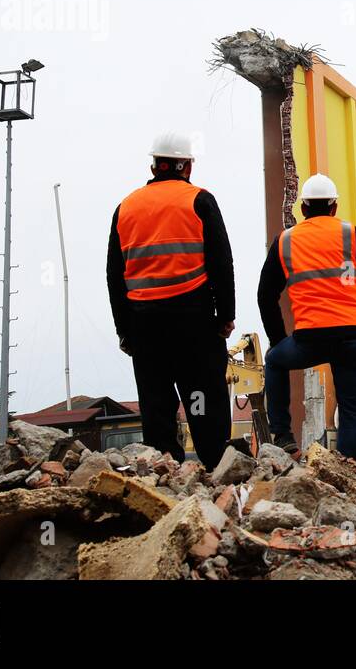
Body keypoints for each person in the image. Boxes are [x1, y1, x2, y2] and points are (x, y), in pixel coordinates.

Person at [107, 131, 234, 467]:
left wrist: (124, 331)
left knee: (156, 400)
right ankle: (215, 465)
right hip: (194, 319)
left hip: (144, 322)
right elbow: (221, 262)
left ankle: (165, 470)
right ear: (187, 166)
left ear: (154, 165)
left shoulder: (126, 207)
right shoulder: (200, 200)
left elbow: (114, 276)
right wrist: (226, 315)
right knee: (201, 395)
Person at [257, 173, 356, 461]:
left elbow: (265, 295)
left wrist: (278, 340)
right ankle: (348, 468)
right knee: (352, 410)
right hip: (355, 334)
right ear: (334, 207)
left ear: (302, 209)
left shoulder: (285, 241)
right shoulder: (350, 233)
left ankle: (284, 436)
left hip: (311, 337)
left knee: (275, 360)